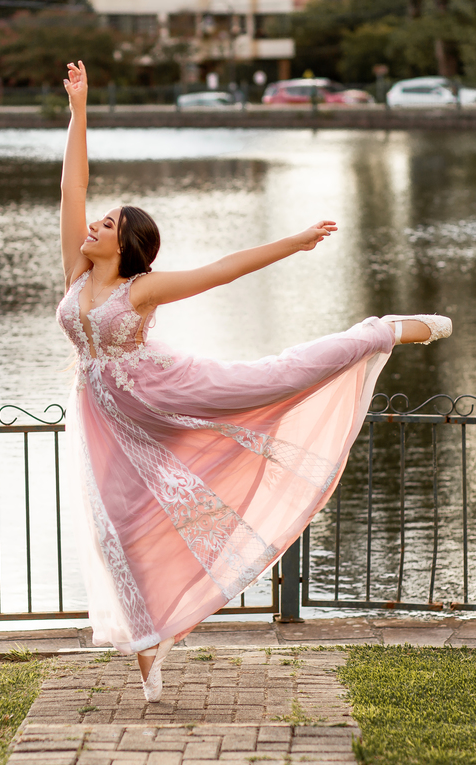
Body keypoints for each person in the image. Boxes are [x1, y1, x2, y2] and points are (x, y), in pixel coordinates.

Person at [55, 61, 450, 702]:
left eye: (108, 224)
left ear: (127, 248)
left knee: (270, 380)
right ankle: (149, 647)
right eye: (98, 221)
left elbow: (222, 270)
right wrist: (79, 110)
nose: (94, 225)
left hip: (160, 387)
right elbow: (73, 183)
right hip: (108, 417)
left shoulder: (141, 289)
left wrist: (292, 243)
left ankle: (381, 331)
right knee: (112, 527)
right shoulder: (76, 272)